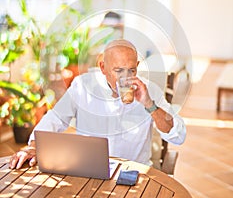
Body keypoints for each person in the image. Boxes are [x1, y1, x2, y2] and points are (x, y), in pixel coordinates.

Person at [9, 39, 186, 170]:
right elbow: (54, 120)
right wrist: (33, 146)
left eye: (131, 70)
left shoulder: (149, 91)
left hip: (134, 174)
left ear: (137, 66)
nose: (126, 76)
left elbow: (178, 136)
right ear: (102, 67)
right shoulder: (83, 86)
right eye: (118, 70)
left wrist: (149, 105)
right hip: (90, 170)